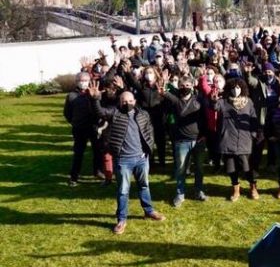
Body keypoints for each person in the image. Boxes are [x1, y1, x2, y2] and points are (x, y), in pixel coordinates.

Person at [89, 84, 165, 235]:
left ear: (134, 101)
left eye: (130, 100)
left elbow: (149, 131)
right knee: (123, 191)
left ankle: (148, 211)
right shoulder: (114, 113)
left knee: (144, 186)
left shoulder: (143, 114)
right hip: (123, 160)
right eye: (124, 101)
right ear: (119, 102)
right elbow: (100, 112)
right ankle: (121, 220)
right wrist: (95, 98)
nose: (127, 103)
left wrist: (147, 150)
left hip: (141, 159)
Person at [158, 75, 207, 207]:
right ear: (178, 87)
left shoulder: (199, 100)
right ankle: (180, 194)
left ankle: (199, 191)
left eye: (187, 85)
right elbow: (165, 93)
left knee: (199, 168)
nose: (185, 87)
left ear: (192, 86)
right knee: (180, 169)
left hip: (198, 140)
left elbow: (205, 118)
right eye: (182, 85)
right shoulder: (175, 100)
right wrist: (164, 88)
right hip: (181, 141)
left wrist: (204, 135)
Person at [210, 78, 259, 201]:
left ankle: (253, 187)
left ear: (242, 88)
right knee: (231, 168)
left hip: (244, 140)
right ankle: (236, 189)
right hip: (228, 140)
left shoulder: (248, 102)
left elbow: (253, 118)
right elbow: (215, 107)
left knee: (247, 167)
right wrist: (213, 101)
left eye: (238, 87)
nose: (235, 90)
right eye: (232, 88)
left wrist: (253, 133)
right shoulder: (223, 102)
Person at [64, 72, 103, 186]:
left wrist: (94, 96)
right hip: (79, 128)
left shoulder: (95, 92)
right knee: (78, 153)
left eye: (86, 80)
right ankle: (74, 176)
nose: (83, 83)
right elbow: (67, 113)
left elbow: (99, 107)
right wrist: (74, 122)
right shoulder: (71, 96)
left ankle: (98, 171)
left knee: (97, 150)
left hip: (94, 127)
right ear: (77, 82)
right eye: (81, 80)